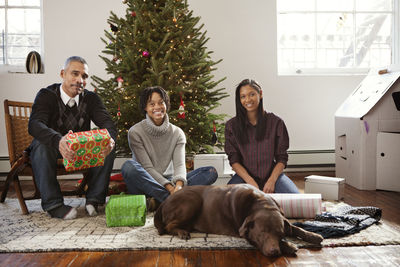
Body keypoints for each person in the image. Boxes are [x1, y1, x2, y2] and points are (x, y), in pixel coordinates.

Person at [28, 56, 117, 220]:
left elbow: (108, 124)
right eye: (75, 74)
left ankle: (94, 200)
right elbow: (34, 124)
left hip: (80, 151)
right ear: (63, 74)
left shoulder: (91, 98)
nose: (80, 80)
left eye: (84, 76)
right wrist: (58, 140)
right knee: (40, 144)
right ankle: (54, 205)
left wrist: (110, 140)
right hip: (52, 148)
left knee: (109, 143)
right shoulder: (46, 95)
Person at [121, 86, 218, 209]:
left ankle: (159, 201)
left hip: (171, 180)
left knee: (210, 172)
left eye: (161, 102)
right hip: (146, 183)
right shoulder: (135, 132)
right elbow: (147, 168)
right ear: (145, 107)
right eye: (152, 104)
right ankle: (174, 199)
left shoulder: (177, 133)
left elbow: (179, 165)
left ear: (166, 104)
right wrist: (170, 188)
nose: (157, 107)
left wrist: (178, 186)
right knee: (128, 167)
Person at [224, 79, 299, 193]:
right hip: (244, 178)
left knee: (295, 200)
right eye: (243, 96)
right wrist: (250, 181)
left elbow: (282, 158)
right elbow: (234, 160)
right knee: (225, 201)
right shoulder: (231, 126)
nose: (247, 100)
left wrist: (272, 180)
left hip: (272, 176)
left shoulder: (276, 123)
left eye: (252, 94)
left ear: (261, 94)